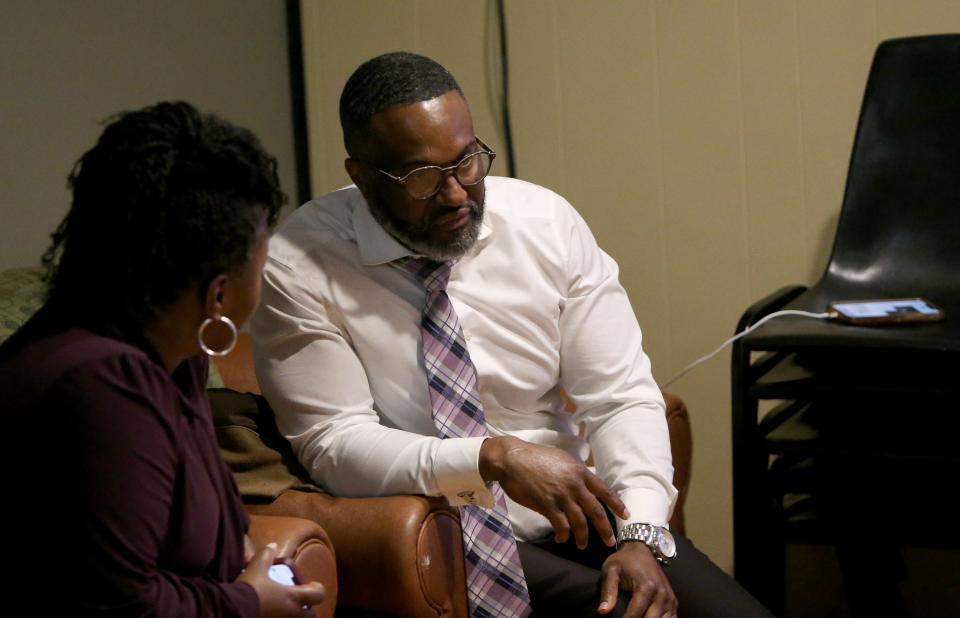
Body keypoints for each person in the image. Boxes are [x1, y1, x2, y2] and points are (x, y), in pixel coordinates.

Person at [251, 52, 771, 618]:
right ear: (361, 175)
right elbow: (334, 442)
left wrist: (640, 535)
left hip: (580, 513)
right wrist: (492, 458)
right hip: (439, 526)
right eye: (423, 177)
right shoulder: (299, 265)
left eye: (468, 161)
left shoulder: (544, 224)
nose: (455, 194)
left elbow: (619, 395)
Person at [0, 102, 326, 617]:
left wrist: (249, 559)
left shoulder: (175, 355)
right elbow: (119, 601)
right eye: (262, 261)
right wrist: (248, 601)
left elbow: (200, 523)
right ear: (218, 295)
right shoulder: (102, 385)